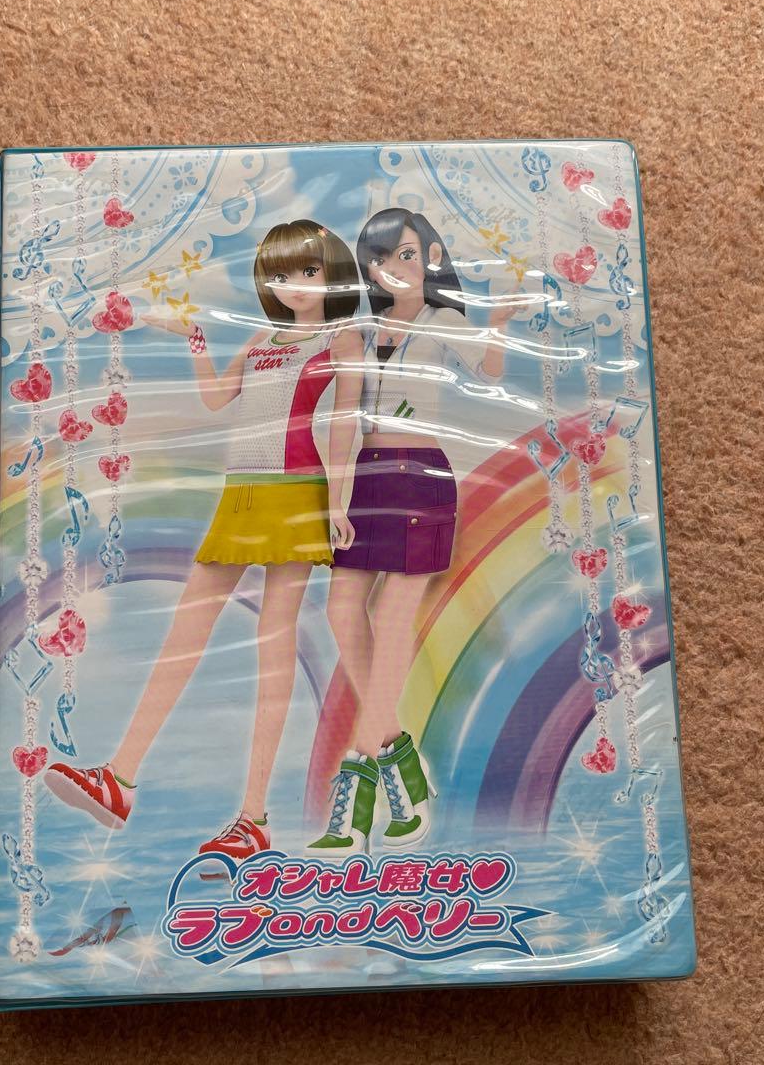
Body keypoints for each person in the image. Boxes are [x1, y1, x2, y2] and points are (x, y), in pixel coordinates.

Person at [45, 220, 363, 867]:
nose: (296, 285)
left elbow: (343, 425)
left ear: (332, 272)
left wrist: (337, 503)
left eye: (309, 271)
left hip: (296, 493)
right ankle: (119, 778)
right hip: (240, 493)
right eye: (282, 274)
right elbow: (219, 400)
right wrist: (194, 339)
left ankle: (254, 818)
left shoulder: (342, 338)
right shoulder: (261, 337)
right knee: (186, 627)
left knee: (273, 646)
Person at [306, 208, 514, 858]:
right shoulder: (365, 331)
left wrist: (500, 325)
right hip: (366, 479)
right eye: (379, 260)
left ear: (429, 255)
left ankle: (359, 783)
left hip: (421, 477)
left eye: (404, 254)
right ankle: (399, 756)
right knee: (342, 610)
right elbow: (346, 414)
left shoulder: (442, 321)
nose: (392, 269)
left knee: (394, 618)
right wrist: (337, 496)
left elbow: (490, 370)